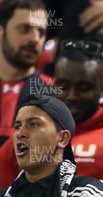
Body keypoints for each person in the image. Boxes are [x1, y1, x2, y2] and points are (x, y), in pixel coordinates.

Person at [0, 39, 103, 188]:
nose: (72, 96)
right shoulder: (26, 133)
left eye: (83, 88)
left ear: (102, 88)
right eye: (64, 86)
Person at [0, 0, 52, 148]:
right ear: (1, 32)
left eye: (41, 32)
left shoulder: (52, 92)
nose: (34, 39)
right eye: (25, 29)